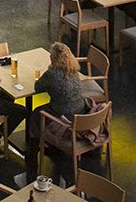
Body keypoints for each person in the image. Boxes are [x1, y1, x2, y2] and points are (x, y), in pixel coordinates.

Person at [35, 43, 92, 180]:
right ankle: (50, 144)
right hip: (80, 114)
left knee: (35, 113)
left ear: (54, 58)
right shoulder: (74, 71)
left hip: (63, 118)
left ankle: (33, 150)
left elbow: (38, 87)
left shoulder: (52, 74)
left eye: (51, 56)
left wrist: (48, 70)